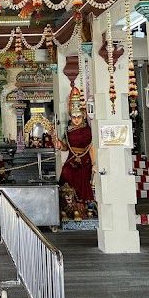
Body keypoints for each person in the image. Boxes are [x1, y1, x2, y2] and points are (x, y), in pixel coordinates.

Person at [54, 87, 94, 219]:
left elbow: (92, 146)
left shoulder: (88, 130)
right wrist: (60, 145)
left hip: (85, 159)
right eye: (74, 117)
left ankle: (84, 209)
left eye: (79, 117)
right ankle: (66, 208)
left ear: (83, 116)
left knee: (83, 181)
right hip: (71, 159)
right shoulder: (68, 130)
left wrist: (94, 163)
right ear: (70, 117)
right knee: (66, 175)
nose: (76, 120)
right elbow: (66, 147)